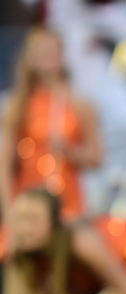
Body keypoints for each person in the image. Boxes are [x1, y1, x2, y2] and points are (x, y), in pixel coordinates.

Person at [0, 25, 101, 222]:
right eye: (43, 52)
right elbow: (5, 165)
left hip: (68, 205)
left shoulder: (80, 103)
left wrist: (70, 151)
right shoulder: (18, 105)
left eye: (54, 51)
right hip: (28, 201)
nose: (50, 57)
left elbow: (96, 158)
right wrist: (9, 210)